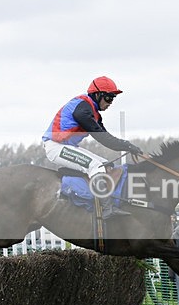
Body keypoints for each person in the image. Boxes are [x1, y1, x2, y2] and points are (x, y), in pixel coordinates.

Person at [42, 76, 143, 218]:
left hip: (66, 146)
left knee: (106, 165)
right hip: (55, 147)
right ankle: (107, 208)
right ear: (98, 95)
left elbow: (107, 137)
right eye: (108, 98)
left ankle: (101, 200)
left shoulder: (93, 112)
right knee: (96, 167)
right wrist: (127, 145)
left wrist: (128, 146)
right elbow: (103, 139)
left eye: (112, 99)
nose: (110, 103)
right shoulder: (82, 109)